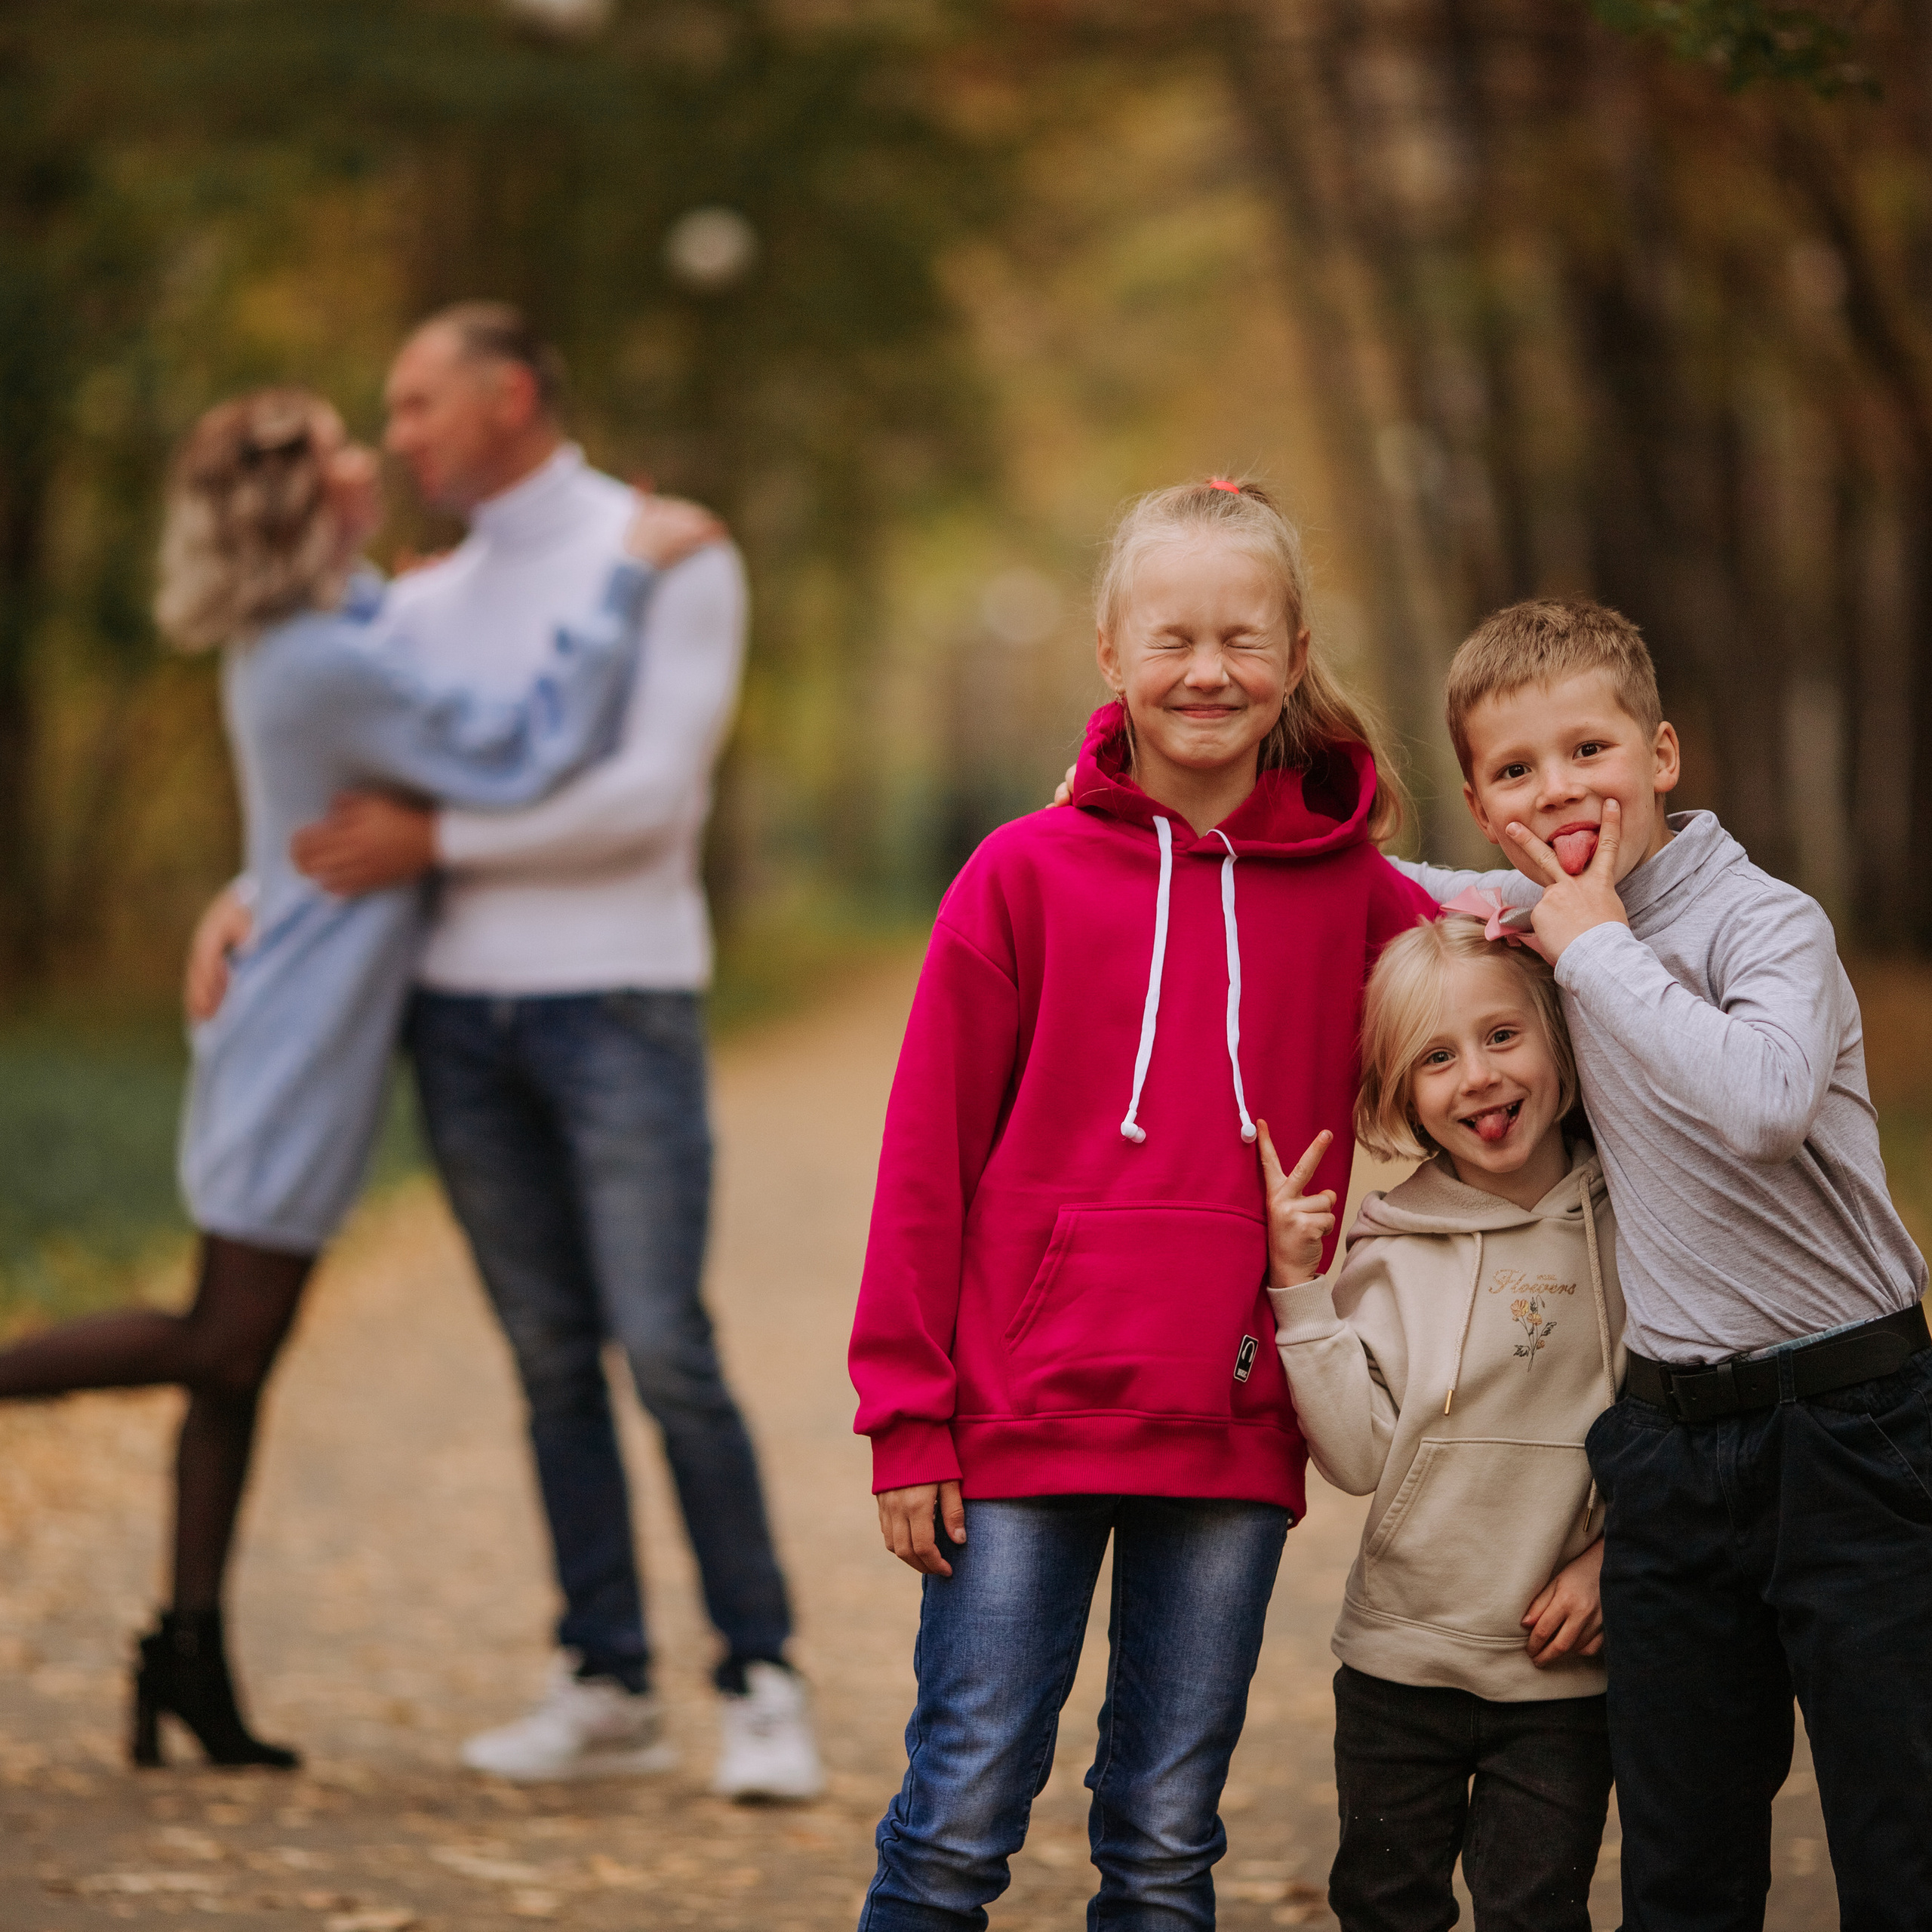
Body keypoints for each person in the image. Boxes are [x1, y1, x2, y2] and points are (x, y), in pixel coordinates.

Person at [0, 386, 717, 1770]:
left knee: (236, 1359)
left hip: (301, 1028)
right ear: (296, 497)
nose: (365, 455)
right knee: (221, 1341)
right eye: (338, 447)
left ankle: (188, 1653)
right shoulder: (321, 661)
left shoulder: (324, 631)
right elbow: (522, 747)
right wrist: (624, 581)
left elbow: (372, 698)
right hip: (296, 1049)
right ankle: (177, 1639)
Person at [189, 304, 819, 1796]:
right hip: (455, 1020)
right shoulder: (418, 602)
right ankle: (605, 1680)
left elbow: (648, 802)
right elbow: (337, 786)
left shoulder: (666, 552)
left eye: (418, 403)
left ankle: (761, 1677)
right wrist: (239, 896)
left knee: (663, 1345)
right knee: (547, 1360)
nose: (395, 434)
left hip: (618, 1001)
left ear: (512, 394)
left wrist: (442, 841)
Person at [848, 478, 1440, 1927]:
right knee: (960, 1816)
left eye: (1244, 639)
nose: (1208, 671)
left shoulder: (1356, 897)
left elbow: (1499, 1020)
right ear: (1111, 653)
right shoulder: (1019, 876)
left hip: (1232, 1424)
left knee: (1168, 1841)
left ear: (1295, 656)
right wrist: (907, 1415)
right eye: (1173, 638)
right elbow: (925, 1160)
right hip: (1017, 1423)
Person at [1410, 599, 1930, 1932]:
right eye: (1515, 769)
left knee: (1903, 1837)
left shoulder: (1768, 924)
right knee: (1683, 1864)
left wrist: (1594, 949)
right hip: (1670, 1453)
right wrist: (1151, 807)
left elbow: (1764, 1105)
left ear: (1663, 754)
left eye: (1589, 749)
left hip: (1855, 1430)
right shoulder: (1528, 915)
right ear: (1481, 804)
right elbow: (1358, 888)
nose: (1557, 789)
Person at [1260, 915, 1624, 1932]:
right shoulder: (1390, 1248)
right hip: (1400, 1663)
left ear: (1561, 1038)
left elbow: (1673, 1425)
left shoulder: (1635, 1225)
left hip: (1560, 1673)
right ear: (1399, 1096)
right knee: (1384, 1905)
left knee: (1535, 1911)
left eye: (1502, 1036)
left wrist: (1618, 1557)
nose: (1478, 1077)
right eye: (1436, 1058)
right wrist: (1301, 1294)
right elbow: (1356, 1456)